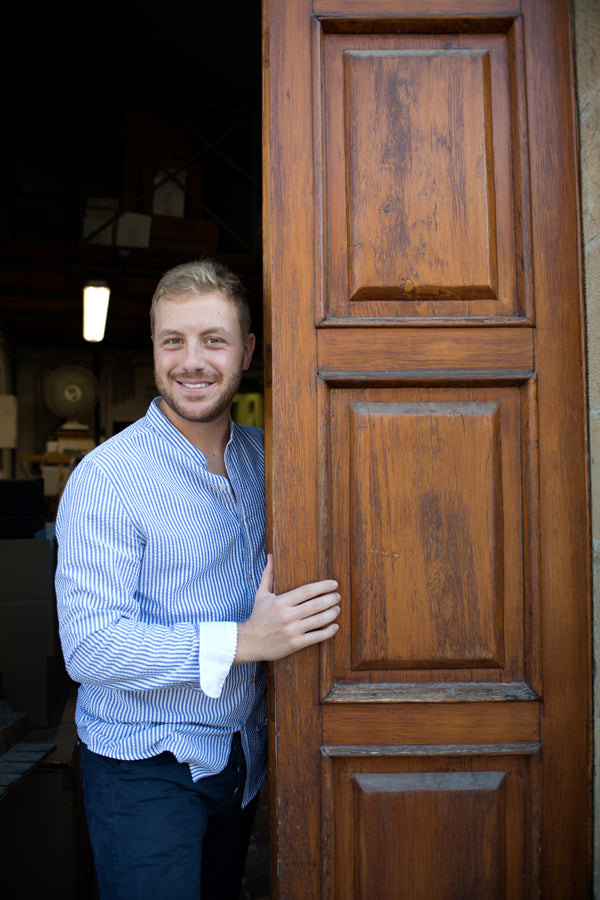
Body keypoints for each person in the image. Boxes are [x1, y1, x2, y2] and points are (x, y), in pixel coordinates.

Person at [55, 258, 341, 900]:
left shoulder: (272, 458)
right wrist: (242, 640)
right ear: (154, 349)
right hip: (144, 765)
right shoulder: (107, 480)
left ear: (248, 349)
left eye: (213, 339)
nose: (192, 361)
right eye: (173, 341)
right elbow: (92, 646)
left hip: (242, 757)